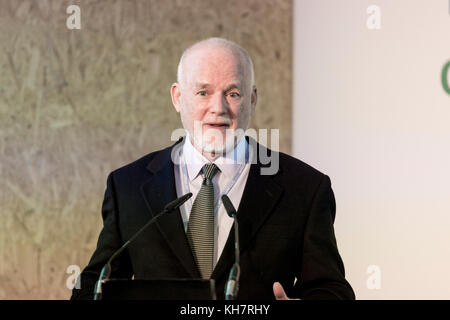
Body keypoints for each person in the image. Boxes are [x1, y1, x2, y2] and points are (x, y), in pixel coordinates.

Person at [71, 37, 355, 300]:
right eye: (203, 92)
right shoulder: (128, 186)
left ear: (252, 99)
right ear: (178, 97)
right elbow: (93, 286)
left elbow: (331, 289)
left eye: (233, 93)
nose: (218, 108)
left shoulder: (304, 188)